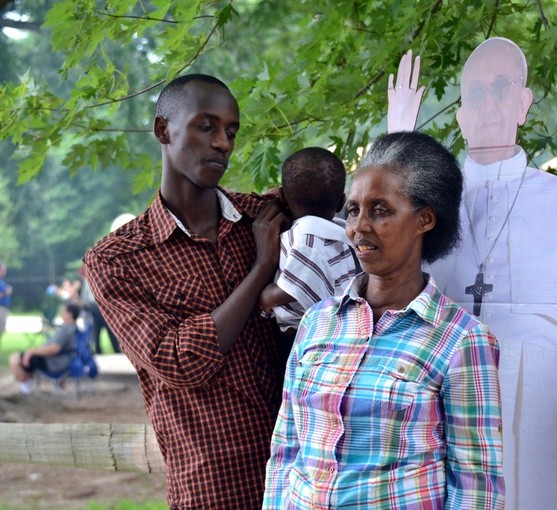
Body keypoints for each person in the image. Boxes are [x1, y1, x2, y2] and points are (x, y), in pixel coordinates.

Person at [388, 39, 557, 508]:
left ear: (523, 103)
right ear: (461, 115)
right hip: (435, 385)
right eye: (476, 92)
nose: (489, 103)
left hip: (536, 393)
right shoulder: (421, 202)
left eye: (502, 88)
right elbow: (382, 267)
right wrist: (396, 152)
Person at [263, 131, 505, 508]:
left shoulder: (462, 340)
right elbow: (286, 450)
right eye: (354, 210)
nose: (359, 226)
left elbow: (476, 483)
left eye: (380, 210)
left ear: (424, 219)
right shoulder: (317, 322)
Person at [82, 74, 289, 509]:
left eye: (231, 131)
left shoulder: (265, 219)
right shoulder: (117, 259)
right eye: (206, 126)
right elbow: (178, 361)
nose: (223, 143)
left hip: (303, 476)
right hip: (214, 488)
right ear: (163, 130)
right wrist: (261, 269)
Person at [258, 147, 357, 343]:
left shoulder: (307, 237)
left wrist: (264, 294)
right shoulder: (340, 230)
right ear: (341, 203)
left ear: (283, 197)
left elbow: (281, 293)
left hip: (307, 336)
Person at [9, 302, 80, 394]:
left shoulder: (67, 330)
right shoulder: (70, 328)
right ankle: (26, 386)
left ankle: (25, 389)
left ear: (69, 315)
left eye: (63, 311)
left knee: (15, 358)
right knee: (21, 357)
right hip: (58, 359)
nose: (61, 313)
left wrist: (31, 352)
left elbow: (54, 349)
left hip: (54, 362)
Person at [0, 261, 12, 353]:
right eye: (3, 269)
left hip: (4, 308)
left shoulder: (2, 281)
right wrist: (6, 292)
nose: (5, 271)